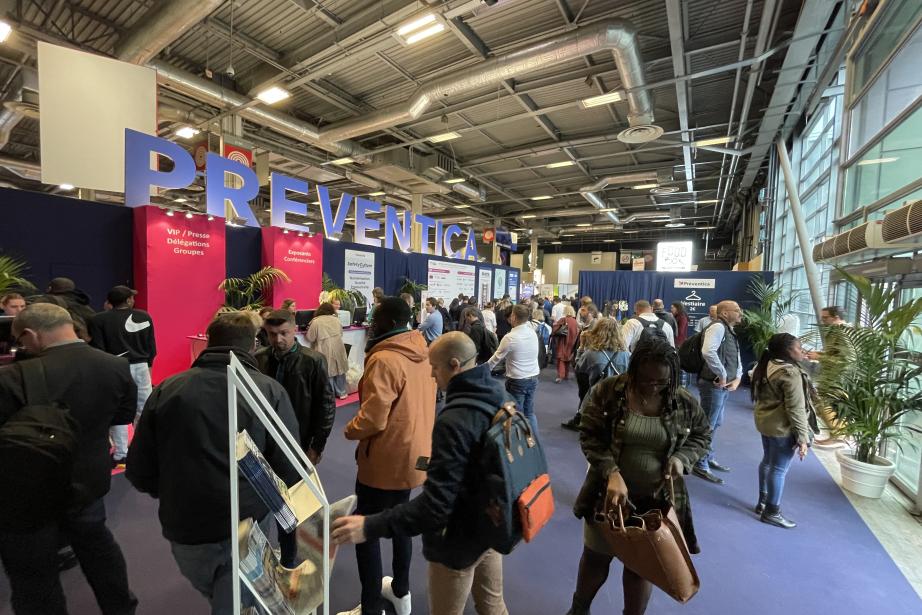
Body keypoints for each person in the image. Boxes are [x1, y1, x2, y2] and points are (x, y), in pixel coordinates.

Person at [127, 312, 300, 614]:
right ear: (252, 344)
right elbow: (290, 469)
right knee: (239, 599)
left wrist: (173, 492)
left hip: (186, 523)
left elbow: (140, 470)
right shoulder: (268, 391)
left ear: (209, 341)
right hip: (248, 521)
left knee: (223, 596)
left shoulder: (167, 390)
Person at [332, 333, 510, 615]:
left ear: (454, 365)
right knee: (493, 605)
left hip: (459, 537)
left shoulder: (455, 419)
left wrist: (368, 526)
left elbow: (435, 508)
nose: (430, 374)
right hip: (492, 521)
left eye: (435, 367)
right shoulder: (498, 393)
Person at [0, 304, 138, 615]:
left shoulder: (14, 376)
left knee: (33, 574)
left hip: (28, 492)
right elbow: (124, 415)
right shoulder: (114, 367)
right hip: (89, 481)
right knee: (99, 549)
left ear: (30, 334)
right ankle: (120, 608)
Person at [566, 337, 711, 615]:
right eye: (645, 379)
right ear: (633, 369)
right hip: (606, 497)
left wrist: (682, 459)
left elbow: (703, 434)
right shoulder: (609, 391)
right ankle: (578, 610)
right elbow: (589, 435)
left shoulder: (681, 400)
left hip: (655, 500)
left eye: (661, 382)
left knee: (641, 568)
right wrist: (611, 473)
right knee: (596, 558)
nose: (652, 386)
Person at [341, 297, 437, 615]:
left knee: (365, 530)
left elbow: (372, 419)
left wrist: (350, 430)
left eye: (374, 318)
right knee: (400, 523)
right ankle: (400, 592)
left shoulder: (384, 359)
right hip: (415, 456)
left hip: (384, 460)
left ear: (384, 322)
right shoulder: (423, 352)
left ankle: (370, 607)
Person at [752, 333, 818, 529]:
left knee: (767, 461)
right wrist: (803, 438)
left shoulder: (767, 364)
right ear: (787, 351)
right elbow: (796, 409)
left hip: (766, 423)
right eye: (798, 347)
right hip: (782, 428)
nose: (802, 350)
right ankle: (772, 511)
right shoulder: (790, 373)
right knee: (779, 469)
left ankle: (763, 501)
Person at [89, 285, 156, 467]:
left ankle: (121, 454)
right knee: (144, 409)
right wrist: (148, 365)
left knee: (118, 410)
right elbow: (151, 347)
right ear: (128, 300)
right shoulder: (144, 316)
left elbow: (98, 349)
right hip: (141, 366)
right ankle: (145, 450)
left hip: (113, 368)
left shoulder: (97, 319)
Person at [693, 300, 743, 485]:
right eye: (736, 310)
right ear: (724, 313)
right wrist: (722, 374)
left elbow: (735, 357)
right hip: (713, 385)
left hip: (723, 386)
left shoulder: (728, 329)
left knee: (716, 422)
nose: (740, 313)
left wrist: (737, 377)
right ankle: (700, 462)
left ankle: (707, 456)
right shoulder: (718, 328)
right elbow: (708, 351)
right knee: (708, 424)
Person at [562, 318, 631, 431]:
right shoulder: (626, 354)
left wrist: (582, 346)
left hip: (597, 395)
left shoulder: (591, 354)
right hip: (619, 395)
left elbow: (578, 368)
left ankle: (579, 418)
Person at [487, 304, 540, 434]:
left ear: (514, 317)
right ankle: (533, 442)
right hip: (533, 377)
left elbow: (495, 359)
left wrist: (480, 371)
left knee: (514, 414)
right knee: (529, 413)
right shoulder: (532, 332)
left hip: (517, 380)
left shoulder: (510, 337)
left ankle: (517, 443)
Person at [305, 302, 350, 399]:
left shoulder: (316, 321)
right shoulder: (336, 320)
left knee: (327, 371)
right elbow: (341, 333)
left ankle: (330, 395)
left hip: (324, 348)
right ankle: (342, 392)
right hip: (338, 346)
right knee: (340, 369)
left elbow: (310, 338)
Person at [552, 304, 579, 383]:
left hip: (563, 342)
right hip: (572, 343)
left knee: (561, 359)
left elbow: (555, 330)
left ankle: (560, 376)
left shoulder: (563, 320)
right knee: (567, 359)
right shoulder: (575, 321)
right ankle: (566, 375)